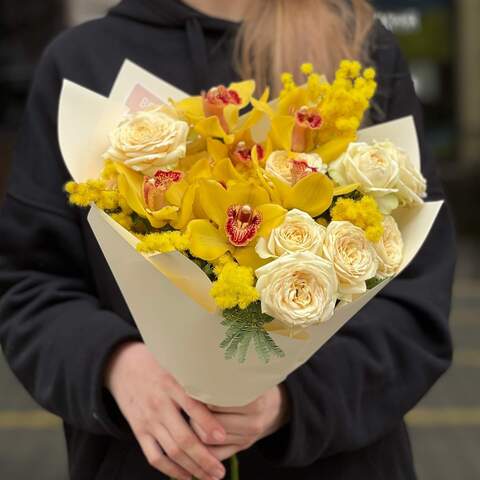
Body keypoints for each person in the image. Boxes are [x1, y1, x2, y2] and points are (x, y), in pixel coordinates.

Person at [0, 1, 456, 479]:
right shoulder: (84, 63)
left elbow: (414, 300)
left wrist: (293, 400)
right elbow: (32, 286)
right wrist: (115, 365)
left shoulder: (361, 50)